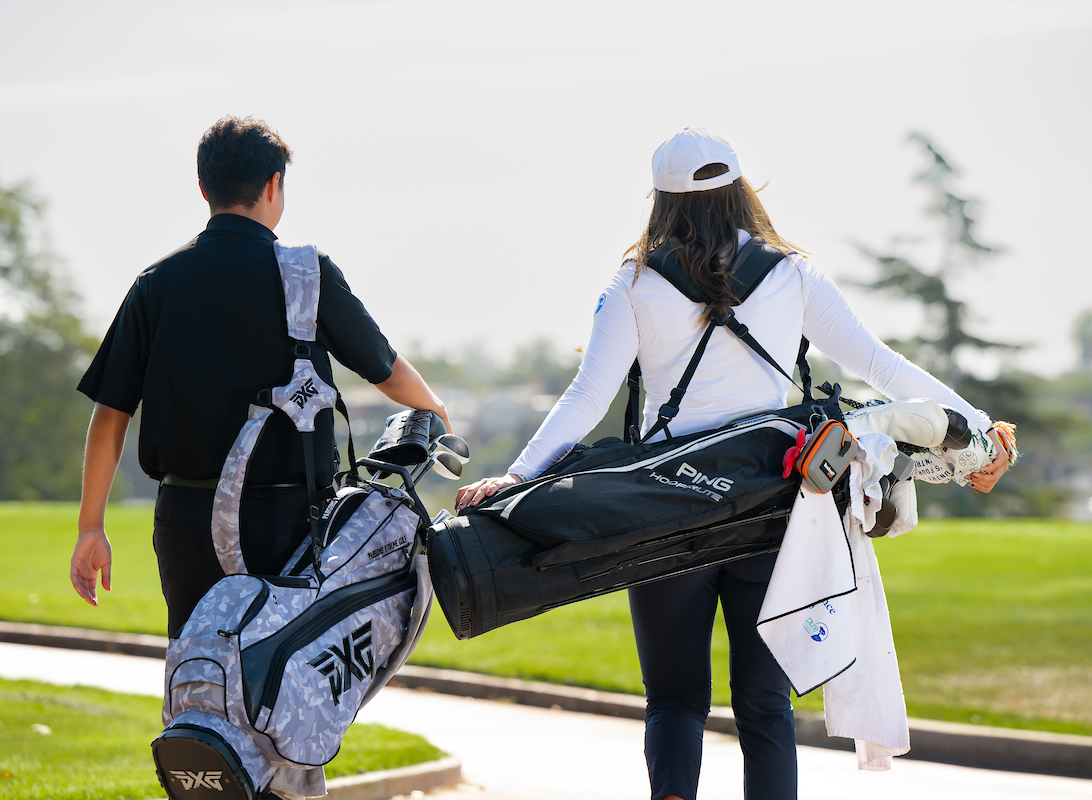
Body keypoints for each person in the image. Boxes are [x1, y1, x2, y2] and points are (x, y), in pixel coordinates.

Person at [456, 127, 1010, 800]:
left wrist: (517, 477)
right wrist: (978, 426)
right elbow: (881, 366)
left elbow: (588, 396)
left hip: (665, 511)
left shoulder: (634, 283)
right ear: (741, 189)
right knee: (764, 704)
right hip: (774, 511)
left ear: (660, 199)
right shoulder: (792, 273)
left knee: (675, 701)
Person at [70, 116, 451, 637]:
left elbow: (110, 414)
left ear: (203, 188)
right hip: (290, 521)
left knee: (198, 665)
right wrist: (435, 409)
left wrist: (91, 527)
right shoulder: (306, 272)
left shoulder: (155, 283)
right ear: (274, 185)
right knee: (293, 671)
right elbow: (387, 371)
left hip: (186, 519)